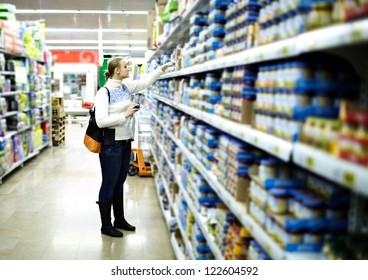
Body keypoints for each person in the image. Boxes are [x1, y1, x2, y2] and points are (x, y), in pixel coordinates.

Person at [94, 57, 173, 237]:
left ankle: (119, 219)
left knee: (120, 183)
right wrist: (125, 114)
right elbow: (100, 122)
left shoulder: (124, 87)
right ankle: (105, 225)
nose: (128, 68)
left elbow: (145, 81)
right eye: (125, 66)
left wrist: (163, 68)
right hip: (111, 145)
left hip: (125, 142)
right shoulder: (104, 92)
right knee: (109, 184)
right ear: (116, 70)